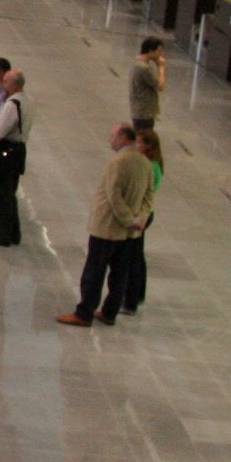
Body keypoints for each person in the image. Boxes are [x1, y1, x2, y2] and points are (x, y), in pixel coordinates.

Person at [58, 124, 155, 328]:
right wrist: (140, 219)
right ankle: (110, 312)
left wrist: (127, 218)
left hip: (108, 228)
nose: (110, 139)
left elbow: (113, 195)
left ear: (123, 138)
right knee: (119, 272)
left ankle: (84, 313)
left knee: (94, 270)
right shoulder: (145, 163)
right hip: (130, 233)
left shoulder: (118, 162)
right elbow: (149, 196)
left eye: (112, 136)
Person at [0, 71, 30, 247]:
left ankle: (4, 235)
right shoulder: (27, 101)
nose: (2, 84)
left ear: (15, 85)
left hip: (5, 152)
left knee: (1, 195)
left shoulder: (12, 104)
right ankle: (14, 233)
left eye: (6, 81)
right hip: (18, 151)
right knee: (10, 194)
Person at [124, 126, 163, 313]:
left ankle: (131, 298)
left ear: (148, 146)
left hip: (142, 214)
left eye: (139, 142)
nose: (135, 145)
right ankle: (137, 294)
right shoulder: (148, 164)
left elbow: (145, 192)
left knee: (133, 257)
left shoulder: (151, 167)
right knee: (137, 256)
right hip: (142, 212)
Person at [129, 37, 166, 132]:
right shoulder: (144, 68)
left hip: (139, 110)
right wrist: (161, 67)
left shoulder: (137, 63)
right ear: (150, 50)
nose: (160, 55)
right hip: (144, 113)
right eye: (159, 51)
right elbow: (160, 85)